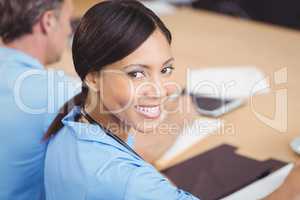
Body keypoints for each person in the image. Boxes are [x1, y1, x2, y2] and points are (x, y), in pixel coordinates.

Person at [44, 1, 300, 200]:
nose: (160, 90)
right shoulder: (130, 182)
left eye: (165, 70)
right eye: (136, 73)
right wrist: (290, 189)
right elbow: (125, 182)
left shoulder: (72, 122)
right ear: (94, 78)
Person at [0, 0, 78, 199]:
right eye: (68, 21)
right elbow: (130, 150)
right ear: (49, 21)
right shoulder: (58, 94)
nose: (70, 30)